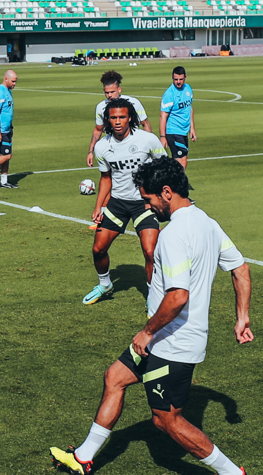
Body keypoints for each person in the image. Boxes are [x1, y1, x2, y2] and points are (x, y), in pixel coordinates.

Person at [51, 157, 255, 475]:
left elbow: (177, 296)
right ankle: (84, 457)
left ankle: (232, 474)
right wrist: (242, 316)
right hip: (164, 338)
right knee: (114, 377)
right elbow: (241, 269)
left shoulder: (174, 233)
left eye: (149, 200)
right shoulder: (207, 222)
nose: (147, 207)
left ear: (166, 192)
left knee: (166, 421)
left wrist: (146, 332)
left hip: (172, 343)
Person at [82, 98, 167, 305]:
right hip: (118, 204)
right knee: (98, 249)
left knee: (149, 251)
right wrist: (99, 207)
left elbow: (165, 166)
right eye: (113, 118)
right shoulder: (102, 147)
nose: (118, 121)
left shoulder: (148, 139)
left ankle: (153, 297)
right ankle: (105, 284)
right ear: (108, 120)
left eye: (122, 117)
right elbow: (106, 178)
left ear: (130, 118)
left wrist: (158, 198)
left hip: (144, 204)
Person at [86, 70, 152, 167]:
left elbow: (145, 123)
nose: (110, 95)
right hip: (114, 148)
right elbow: (98, 130)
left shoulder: (134, 103)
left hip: (134, 145)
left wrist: (150, 144)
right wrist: (90, 151)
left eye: (112, 92)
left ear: (119, 89)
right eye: (107, 92)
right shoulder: (101, 107)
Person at [159, 66, 196, 169]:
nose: (178, 82)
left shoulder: (188, 88)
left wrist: (192, 128)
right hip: (174, 131)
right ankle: (177, 184)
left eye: (181, 79)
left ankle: (171, 182)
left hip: (184, 131)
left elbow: (189, 108)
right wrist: (163, 137)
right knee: (181, 162)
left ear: (185, 78)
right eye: (176, 79)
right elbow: (163, 116)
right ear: (172, 78)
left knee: (179, 162)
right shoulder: (169, 94)